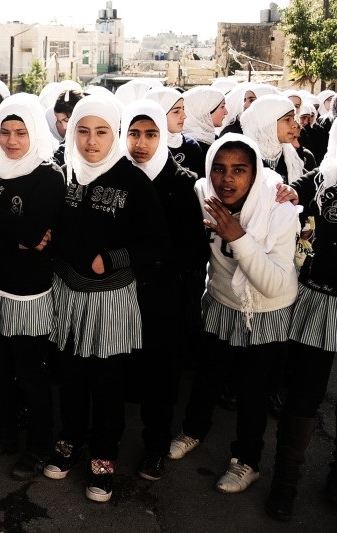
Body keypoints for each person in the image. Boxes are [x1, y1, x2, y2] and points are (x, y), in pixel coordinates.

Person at [41, 93, 168, 503]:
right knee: (71, 374)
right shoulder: (66, 174)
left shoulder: (134, 181)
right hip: (68, 293)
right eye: (82, 131)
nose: (91, 142)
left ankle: (104, 456)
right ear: (71, 130)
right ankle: (71, 439)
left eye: (100, 132)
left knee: (107, 382)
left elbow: (157, 244)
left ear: (114, 134)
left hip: (111, 299)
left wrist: (111, 259)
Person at [168, 134, 300, 495]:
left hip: (267, 311)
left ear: (255, 173)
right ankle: (193, 430)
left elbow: (274, 283)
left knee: (252, 390)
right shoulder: (202, 193)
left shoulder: (280, 209)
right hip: (221, 302)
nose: (227, 179)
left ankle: (247, 461)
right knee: (208, 376)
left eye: (239, 170)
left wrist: (238, 236)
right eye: (219, 169)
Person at [0, 93, 65, 479]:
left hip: (27, 293)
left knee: (30, 374)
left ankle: (39, 447)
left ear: (35, 131)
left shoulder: (48, 176)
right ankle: (3, 435)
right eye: (5, 132)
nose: (11, 141)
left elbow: (35, 232)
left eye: (21, 132)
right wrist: (10, 236)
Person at [266, 105, 337, 520]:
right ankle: (285, 484)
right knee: (304, 394)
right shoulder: (324, 181)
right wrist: (288, 194)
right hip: (318, 304)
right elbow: (291, 194)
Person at [120, 100, 210, 482]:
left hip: (164, 300)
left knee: (160, 380)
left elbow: (195, 253)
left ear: (163, 135)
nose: (141, 143)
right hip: (120, 295)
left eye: (151, 134)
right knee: (117, 374)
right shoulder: (116, 175)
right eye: (134, 133)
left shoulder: (183, 182)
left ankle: (154, 447)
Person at [241, 94, 310, 184]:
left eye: (293, 118)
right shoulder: (244, 156)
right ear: (268, 122)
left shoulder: (289, 154)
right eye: (287, 119)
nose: (294, 124)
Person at [146, 87, 206, 177]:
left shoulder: (191, 146)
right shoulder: (141, 149)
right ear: (159, 115)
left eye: (183, 109)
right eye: (176, 111)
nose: (184, 116)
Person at [182, 86, 226, 153]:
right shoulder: (190, 146)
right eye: (222, 107)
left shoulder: (211, 137)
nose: (226, 112)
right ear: (205, 111)